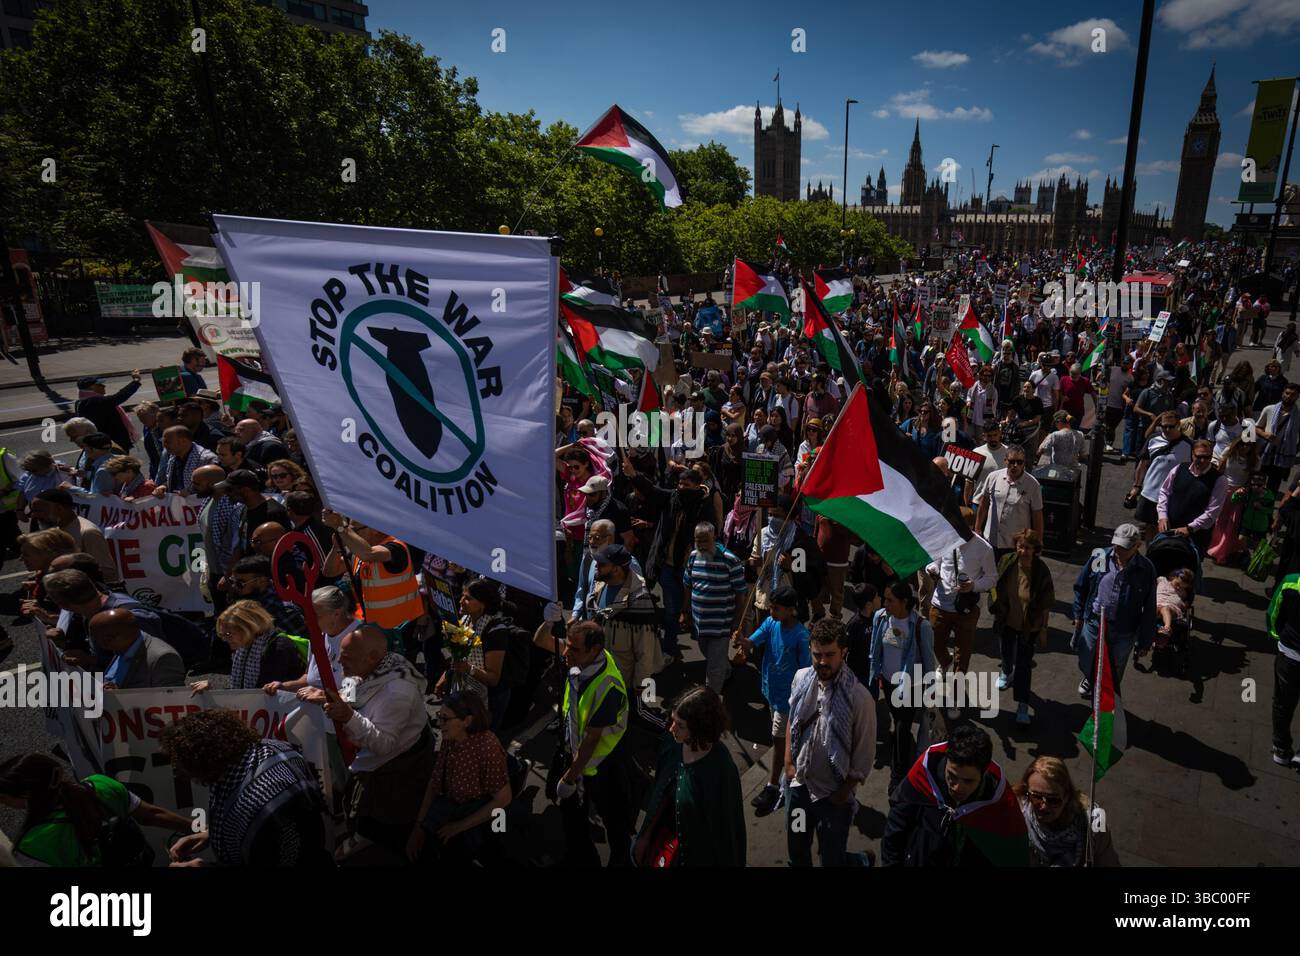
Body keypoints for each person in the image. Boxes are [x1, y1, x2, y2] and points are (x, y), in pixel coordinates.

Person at [310, 624, 435, 860]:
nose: (340, 665)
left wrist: (348, 716)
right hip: (379, 762)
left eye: (346, 659)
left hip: (396, 767)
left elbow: (383, 744)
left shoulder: (397, 692)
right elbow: (353, 691)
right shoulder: (371, 667)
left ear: (373, 657)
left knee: (385, 822)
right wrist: (333, 699)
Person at [162, 709, 333, 866]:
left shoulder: (257, 802)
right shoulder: (271, 748)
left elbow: (286, 857)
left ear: (203, 761)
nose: (182, 773)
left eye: (184, 766)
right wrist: (211, 835)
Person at [531, 619, 634, 867]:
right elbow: (540, 641)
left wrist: (569, 778)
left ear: (595, 649)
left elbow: (592, 740)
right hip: (574, 753)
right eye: (567, 645)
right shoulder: (583, 658)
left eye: (573, 648)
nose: (565, 653)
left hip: (601, 765)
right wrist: (548, 621)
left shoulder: (608, 686)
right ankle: (580, 857)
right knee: (573, 819)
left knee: (613, 818)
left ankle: (623, 857)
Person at [784, 616, 876, 867]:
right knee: (797, 850)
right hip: (800, 790)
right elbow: (793, 722)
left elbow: (864, 754)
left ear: (844, 652)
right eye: (817, 654)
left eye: (830, 655)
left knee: (831, 858)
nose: (822, 662)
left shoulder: (859, 698)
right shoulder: (801, 679)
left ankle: (858, 862)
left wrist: (842, 793)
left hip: (833, 801)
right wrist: (788, 764)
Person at [0, 752, 191, 867]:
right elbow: (151, 815)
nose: (2, 803)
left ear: (25, 796)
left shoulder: (31, 845)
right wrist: (197, 830)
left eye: (3, 797)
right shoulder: (100, 784)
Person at [881, 724, 1029, 866]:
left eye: (968, 781)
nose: (957, 787)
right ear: (946, 761)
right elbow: (896, 828)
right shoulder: (925, 776)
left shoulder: (999, 803)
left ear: (984, 773)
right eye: (951, 775)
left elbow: (1010, 854)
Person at [634, 685, 746, 867]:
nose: (671, 729)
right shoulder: (673, 745)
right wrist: (645, 836)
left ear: (700, 727)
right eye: (673, 721)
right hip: (666, 843)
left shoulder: (720, 768)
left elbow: (726, 832)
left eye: (680, 725)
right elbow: (661, 794)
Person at [623, 455, 716, 661]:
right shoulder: (672, 497)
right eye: (680, 482)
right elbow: (651, 490)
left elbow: (710, 531)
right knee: (671, 608)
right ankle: (669, 648)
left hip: (689, 566)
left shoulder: (703, 506)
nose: (681, 486)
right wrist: (633, 475)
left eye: (686, 483)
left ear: (697, 485)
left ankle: (709, 651)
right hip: (667, 563)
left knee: (693, 608)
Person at [407, 690, 512, 865]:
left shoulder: (487, 748)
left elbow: (503, 799)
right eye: (440, 716)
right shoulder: (451, 738)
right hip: (453, 807)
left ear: (467, 721)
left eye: (445, 719)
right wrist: (418, 827)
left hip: (479, 815)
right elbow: (435, 782)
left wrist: (459, 826)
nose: (440, 723)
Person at [734, 585, 809, 817]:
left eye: (776, 609)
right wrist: (741, 640)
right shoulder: (771, 624)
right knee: (781, 740)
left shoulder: (801, 636)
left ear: (791, 610)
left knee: (778, 742)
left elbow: (807, 673)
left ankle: (773, 785)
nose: (772, 612)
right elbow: (751, 643)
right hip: (770, 692)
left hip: (789, 701)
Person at [1072, 522, 1158, 697]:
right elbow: (1082, 586)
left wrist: (1145, 640)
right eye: (1116, 545)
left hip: (1124, 629)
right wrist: (1078, 614)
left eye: (1124, 548)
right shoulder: (1100, 557)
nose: (1118, 550)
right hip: (1094, 621)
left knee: (1115, 666)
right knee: (1086, 659)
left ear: (1137, 546)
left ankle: (1106, 693)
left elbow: (1149, 606)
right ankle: (1089, 678)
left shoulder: (1146, 569)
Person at [867, 580, 936, 794]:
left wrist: (929, 690)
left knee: (902, 727)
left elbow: (928, 660)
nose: (885, 603)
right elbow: (877, 649)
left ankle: (898, 776)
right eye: (885, 599)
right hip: (887, 683)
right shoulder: (881, 618)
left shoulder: (920, 626)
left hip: (910, 686)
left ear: (905, 602)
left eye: (890, 600)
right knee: (898, 722)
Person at [990, 529, 1055, 725]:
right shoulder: (1007, 561)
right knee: (1006, 651)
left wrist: (1043, 629)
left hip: (1030, 626)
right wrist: (994, 605)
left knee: (1024, 666)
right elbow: (995, 585)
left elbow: (1046, 602)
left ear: (1035, 549)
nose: (1023, 551)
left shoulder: (1041, 570)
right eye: (1020, 546)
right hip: (1007, 620)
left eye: (1027, 547)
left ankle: (1022, 704)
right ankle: (1006, 670)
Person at [434, 578, 514, 729]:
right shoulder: (465, 620)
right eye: (462, 596)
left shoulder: (495, 631)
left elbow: (493, 678)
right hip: (465, 691)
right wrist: (445, 677)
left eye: (468, 598)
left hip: (489, 699)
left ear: (483, 604)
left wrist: (468, 668)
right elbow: (457, 657)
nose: (461, 601)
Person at [1015, 756, 1119, 867]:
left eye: (1053, 800)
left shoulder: (1094, 823)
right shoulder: (1017, 813)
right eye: (1036, 797)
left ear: (1067, 797)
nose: (1044, 806)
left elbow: (1109, 862)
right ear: (1026, 791)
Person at [681, 522, 747, 695]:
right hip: (699, 623)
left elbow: (741, 594)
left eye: (705, 541)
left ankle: (710, 700)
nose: (702, 545)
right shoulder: (693, 557)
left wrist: (737, 621)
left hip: (721, 625)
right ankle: (726, 672)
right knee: (709, 654)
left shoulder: (730, 560)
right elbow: (688, 585)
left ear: (714, 538)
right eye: (698, 541)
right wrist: (684, 611)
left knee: (713, 668)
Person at [190, 600, 306, 695]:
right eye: (222, 634)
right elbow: (241, 691)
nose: (224, 639)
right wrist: (211, 688)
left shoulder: (278, 647)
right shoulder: (244, 648)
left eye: (228, 634)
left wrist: (215, 691)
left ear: (248, 628)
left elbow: (261, 693)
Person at [925, 533, 997, 683]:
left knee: (962, 654)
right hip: (940, 604)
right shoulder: (943, 537)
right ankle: (945, 661)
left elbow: (992, 578)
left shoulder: (984, 548)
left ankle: (956, 692)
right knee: (934, 643)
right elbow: (934, 563)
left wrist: (973, 586)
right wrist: (932, 570)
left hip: (967, 609)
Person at [264, 585, 352, 697]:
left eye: (315, 615)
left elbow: (356, 693)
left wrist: (323, 696)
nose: (307, 621)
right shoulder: (318, 637)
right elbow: (310, 678)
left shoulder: (360, 637)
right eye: (307, 615)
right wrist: (284, 686)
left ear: (336, 614)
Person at [29, 488, 119, 587]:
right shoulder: (56, 529)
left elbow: (108, 573)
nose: (33, 515)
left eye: (38, 511)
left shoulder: (88, 533)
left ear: (59, 509)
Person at [1157, 439, 1228, 555]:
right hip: (1169, 529)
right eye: (1199, 456)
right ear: (1192, 454)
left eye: (1207, 457)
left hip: (1196, 536)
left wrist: (1189, 528)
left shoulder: (1220, 480)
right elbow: (1164, 492)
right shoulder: (1179, 469)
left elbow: (1212, 512)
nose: (1203, 460)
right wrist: (1162, 516)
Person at [974, 445, 1043, 560]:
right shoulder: (993, 477)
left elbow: (1037, 516)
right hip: (991, 541)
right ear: (1005, 460)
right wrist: (977, 529)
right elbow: (983, 504)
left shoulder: (1033, 485)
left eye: (1019, 462)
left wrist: (1038, 543)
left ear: (1024, 462)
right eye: (1011, 461)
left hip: (1015, 546)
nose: (1015, 465)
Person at [1128, 413, 1191, 537]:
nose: (1167, 429)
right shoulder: (1153, 439)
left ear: (1178, 425)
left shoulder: (1188, 445)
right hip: (1151, 493)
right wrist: (1136, 486)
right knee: (1150, 528)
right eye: (1164, 426)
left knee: (1168, 528)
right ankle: (1150, 552)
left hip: (1173, 496)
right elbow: (1142, 465)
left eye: (1171, 427)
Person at [92, 608, 186, 689]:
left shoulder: (162, 658)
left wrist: (120, 696)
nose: (99, 644)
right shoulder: (123, 645)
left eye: (100, 639)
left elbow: (171, 700)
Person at [1267, 573, 1300, 767]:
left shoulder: (1292, 582)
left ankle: (1281, 748)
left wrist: (1277, 635)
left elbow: (1274, 613)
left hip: (1290, 653)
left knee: (1282, 703)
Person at [74, 372, 142, 451]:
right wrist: (136, 381)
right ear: (91, 387)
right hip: (111, 445)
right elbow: (118, 397)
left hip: (102, 444)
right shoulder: (94, 402)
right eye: (100, 384)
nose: (104, 386)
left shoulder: (82, 402)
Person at [1257, 380, 1300, 492]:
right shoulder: (1269, 409)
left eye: (1293, 395)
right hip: (1265, 453)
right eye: (1287, 393)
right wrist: (1265, 434)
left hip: (1282, 457)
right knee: (1256, 483)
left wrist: (1294, 450)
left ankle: (1267, 508)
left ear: (1297, 397)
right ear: (1282, 393)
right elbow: (1256, 428)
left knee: (1272, 488)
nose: (1289, 396)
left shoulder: (1298, 416)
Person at [154, 425, 219, 494]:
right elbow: (175, 482)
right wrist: (164, 486)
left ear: (183, 441)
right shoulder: (173, 457)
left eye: (167, 442)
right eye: (163, 442)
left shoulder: (206, 459)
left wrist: (190, 492)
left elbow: (213, 487)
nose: (164, 445)